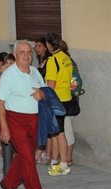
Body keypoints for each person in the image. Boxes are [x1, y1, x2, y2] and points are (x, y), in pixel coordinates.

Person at [0, 40, 47, 189]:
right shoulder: (9, 75)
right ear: (16, 55)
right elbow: (0, 102)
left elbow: (45, 91)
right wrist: (4, 128)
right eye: (22, 52)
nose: (26, 55)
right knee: (28, 158)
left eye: (29, 52)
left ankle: (8, 183)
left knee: (24, 157)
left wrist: (42, 94)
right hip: (15, 120)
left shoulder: (35, 72)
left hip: (34, 120)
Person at [45, 33, 73, 176]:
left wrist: (45, 100)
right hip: (67, 98)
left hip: (57, 100)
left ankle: (63, 165)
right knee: (56, 133)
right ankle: (55, 162)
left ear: (49, 45)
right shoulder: (66, 58)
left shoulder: (52, 60)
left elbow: (51, 85)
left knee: (60, 133)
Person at [60, 40, 79, 167]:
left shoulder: (65, 62)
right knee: (66, 128)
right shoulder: (69, 61)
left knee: (67, 129)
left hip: (67, 100)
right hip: (68, 100)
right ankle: (66, 157)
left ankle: (68, 158)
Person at [34, 37, 52, 165]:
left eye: (39, 46)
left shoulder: (49, 61)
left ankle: (44, 153)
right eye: (35, 46)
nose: (37, 49)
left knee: (47, 126)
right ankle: (41, 151)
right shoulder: (40, 61)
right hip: (40, 95)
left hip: (46, 96)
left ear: (46, 47)